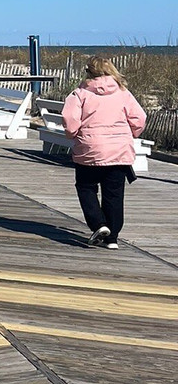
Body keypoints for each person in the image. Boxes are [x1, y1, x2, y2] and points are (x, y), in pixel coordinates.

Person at [61, 56, 147, 250]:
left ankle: (99, 224)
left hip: (89, 150)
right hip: (119, 151)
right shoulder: (123, 93)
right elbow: (139, 117)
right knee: (114, 194)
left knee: (86, 187)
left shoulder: (80, 93)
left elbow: (69, 118)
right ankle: (113, 238)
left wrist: (72, 134)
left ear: (88, 72)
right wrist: (132, 133)